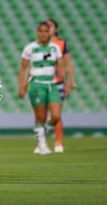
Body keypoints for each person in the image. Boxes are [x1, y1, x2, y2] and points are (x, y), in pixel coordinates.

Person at [18, 21, 68, 155]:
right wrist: (22, 85)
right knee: (40, 117)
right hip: (36, 84)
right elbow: (23, 68)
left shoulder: (55, 48)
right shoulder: (30, 48)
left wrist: (66, 84)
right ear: (37, 33)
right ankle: (42, 145)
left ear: (50, 32)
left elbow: (60, 67)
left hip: (51, 84)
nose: (43, 34)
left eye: (46, 31)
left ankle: (41, 134)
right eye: (41, 31)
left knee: (56, 116)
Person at [39, 18, 76, 153]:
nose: (48, 28)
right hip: (42, 82)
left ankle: (58, 142)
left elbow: (67, 64)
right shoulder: (39, 45)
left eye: (50, 26)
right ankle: (42, 142)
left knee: (56, 114)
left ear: (55, 29)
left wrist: (71, 81)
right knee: (42, 114)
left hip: (57, 82)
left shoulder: (61, 44)